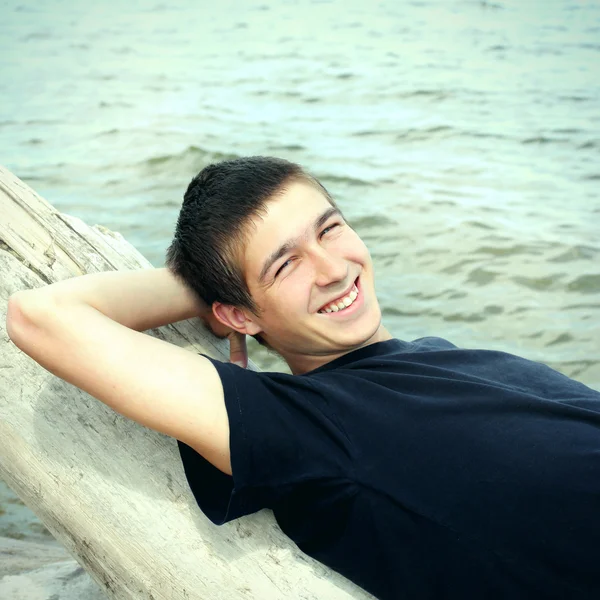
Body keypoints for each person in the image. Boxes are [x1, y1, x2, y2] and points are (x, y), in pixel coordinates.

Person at [6, 156, 600, 600]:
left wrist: (243, 282)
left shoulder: (437, 355)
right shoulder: (304, 426)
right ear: (239, 315)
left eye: (330, 228)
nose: (334, 268)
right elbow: (41, 318)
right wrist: (205, 287)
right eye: (285, 264)